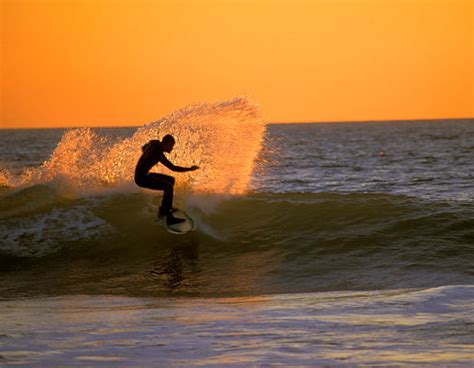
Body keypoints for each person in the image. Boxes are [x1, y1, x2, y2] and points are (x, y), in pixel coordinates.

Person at [134, 134, 199, 226]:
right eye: (171, 146)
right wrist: (190, 169)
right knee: (168, 187)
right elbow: (173, 168)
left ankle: (164, 209)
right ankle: (169, 217)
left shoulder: (155, 143)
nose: (172, 149)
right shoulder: (158, 153)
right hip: (141, 179)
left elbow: (144, 147)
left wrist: (147, 156)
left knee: (171, 180)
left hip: (144, 175)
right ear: (165, 143)